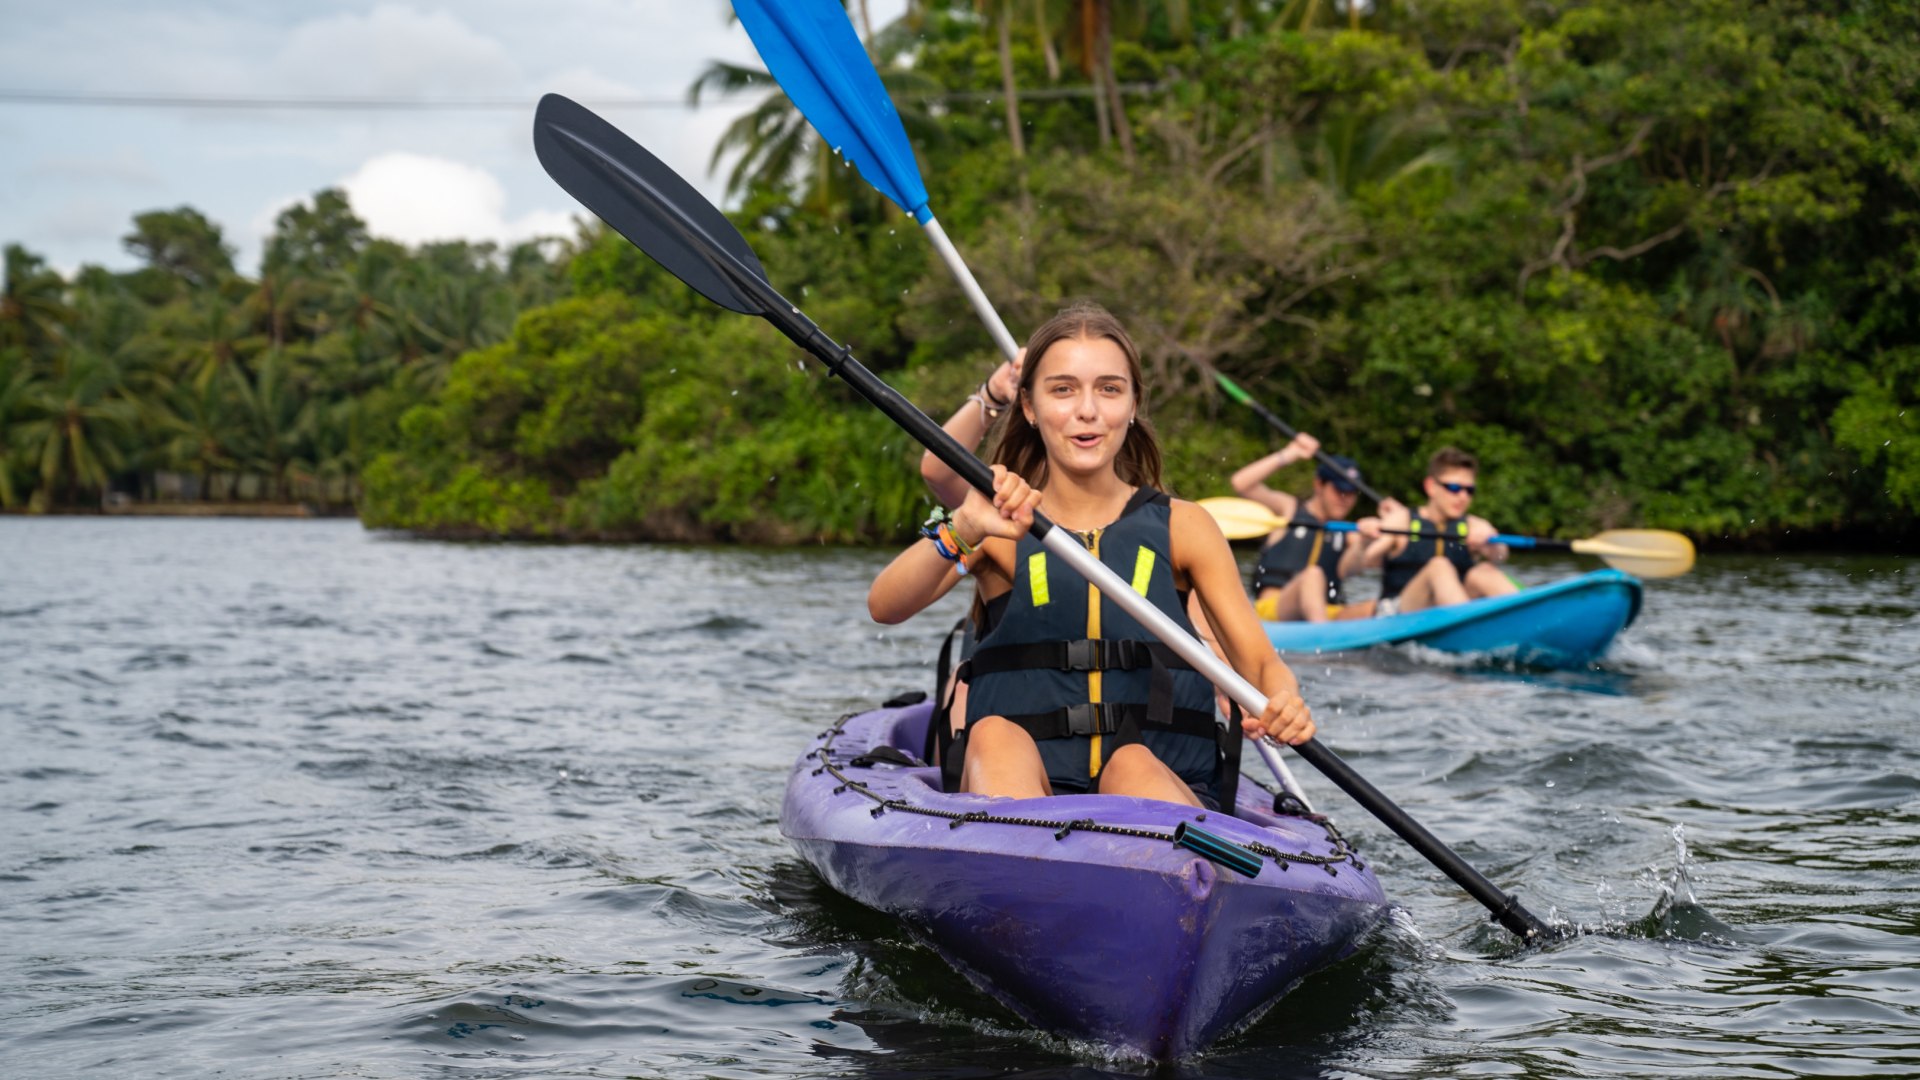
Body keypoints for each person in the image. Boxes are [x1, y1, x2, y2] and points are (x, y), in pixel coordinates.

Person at [868, 302, 1315, 807]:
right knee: (993, 734)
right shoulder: (998, 521)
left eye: (1109, 388)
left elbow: (1258, 662)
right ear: (1031, 408)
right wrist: (964, 526)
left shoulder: (1185, 527)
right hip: (1023, 794)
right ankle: (1019, 856)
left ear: (1132, 405)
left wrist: (1284, 699)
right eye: (1063, 389)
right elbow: (886, 606)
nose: (1088, 410)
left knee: (1130, 764)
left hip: (1160, 793)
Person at [1229, 437, 1398, 623]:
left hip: (1326, 612)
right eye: (1339, 490)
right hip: (1275, 609)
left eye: (1351, 493)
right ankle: (1323, 639)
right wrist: (1290, 453)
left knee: (1376, 607)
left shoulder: (1350, 533)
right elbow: (1241, 483)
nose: (1345, 499)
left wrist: (1375, 534)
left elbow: (1359, 564)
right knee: (1313, 574)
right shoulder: (1289, 509)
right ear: (1319, 485)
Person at [1361, 446, 1515, 615]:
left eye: (1469, 490)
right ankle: (1466, 628)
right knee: (1439, 566)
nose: (1463, 497)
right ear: (1431, 487)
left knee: (1485, 571)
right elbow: (1367, 560)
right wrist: (1370, 536)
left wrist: (1492, 545)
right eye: (1455, 488)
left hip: (1449, 608)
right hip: (1399, 611)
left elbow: (1501, 556)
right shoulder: (1401, 520)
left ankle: (1528, 620)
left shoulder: (1474, 525)